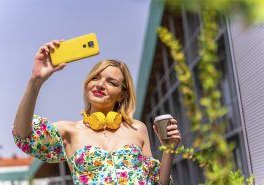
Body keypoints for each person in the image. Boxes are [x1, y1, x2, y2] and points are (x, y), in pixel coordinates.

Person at [12, 40, 181, 185]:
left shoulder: (137, 128)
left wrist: (168, 150)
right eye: (95, 78)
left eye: (111, 82)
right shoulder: (69, 131)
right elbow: (23, 135)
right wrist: (35, 81)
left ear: (122, 95)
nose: (100, 84)